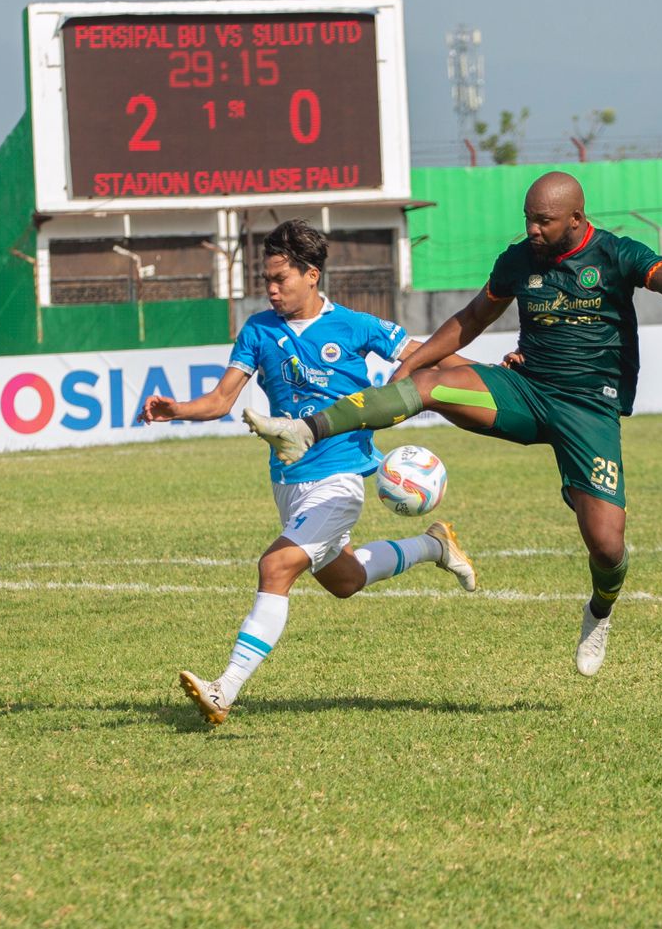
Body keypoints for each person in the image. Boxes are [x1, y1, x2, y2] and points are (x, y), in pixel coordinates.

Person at [246, 173, 662, 678]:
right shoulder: (518, 261)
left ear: (576, 219)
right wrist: (411, 366)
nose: (532, 230)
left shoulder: (615, 254)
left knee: (606, 545)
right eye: (528, 220)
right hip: (527, 391)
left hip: (589, 411)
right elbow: (471, 319)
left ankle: (600, 612)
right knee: (430, 383)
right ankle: (308, 429)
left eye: (543, 221)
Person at [139, 220, 478, 726]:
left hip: (340, 478)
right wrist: (177, 410)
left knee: (275, 568)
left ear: (312, 274)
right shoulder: (258, 330)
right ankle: (434, 545)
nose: (271, 289)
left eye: (280, 279)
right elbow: (220, 400)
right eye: (266, 281)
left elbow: (428, 355)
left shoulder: (357, 326)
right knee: (346, 580)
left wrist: (495, 373)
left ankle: (224, 688)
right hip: (288, 479)